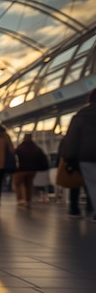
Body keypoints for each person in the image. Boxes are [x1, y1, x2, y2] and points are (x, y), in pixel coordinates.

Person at [61, 88, 96, 222]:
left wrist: (69, 158)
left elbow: (72, 139)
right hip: (86, 156)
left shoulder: (81, 115)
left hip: (86, 157)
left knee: (93, 184)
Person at [13, 133, 49, 209]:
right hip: (32, 170)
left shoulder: (20, 147)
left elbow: (15, 155)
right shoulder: (36, 148)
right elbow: (42, 158)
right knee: (28, 184)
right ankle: (28, 200)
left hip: (21, 169)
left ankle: (20, 199)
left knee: (17, 183)